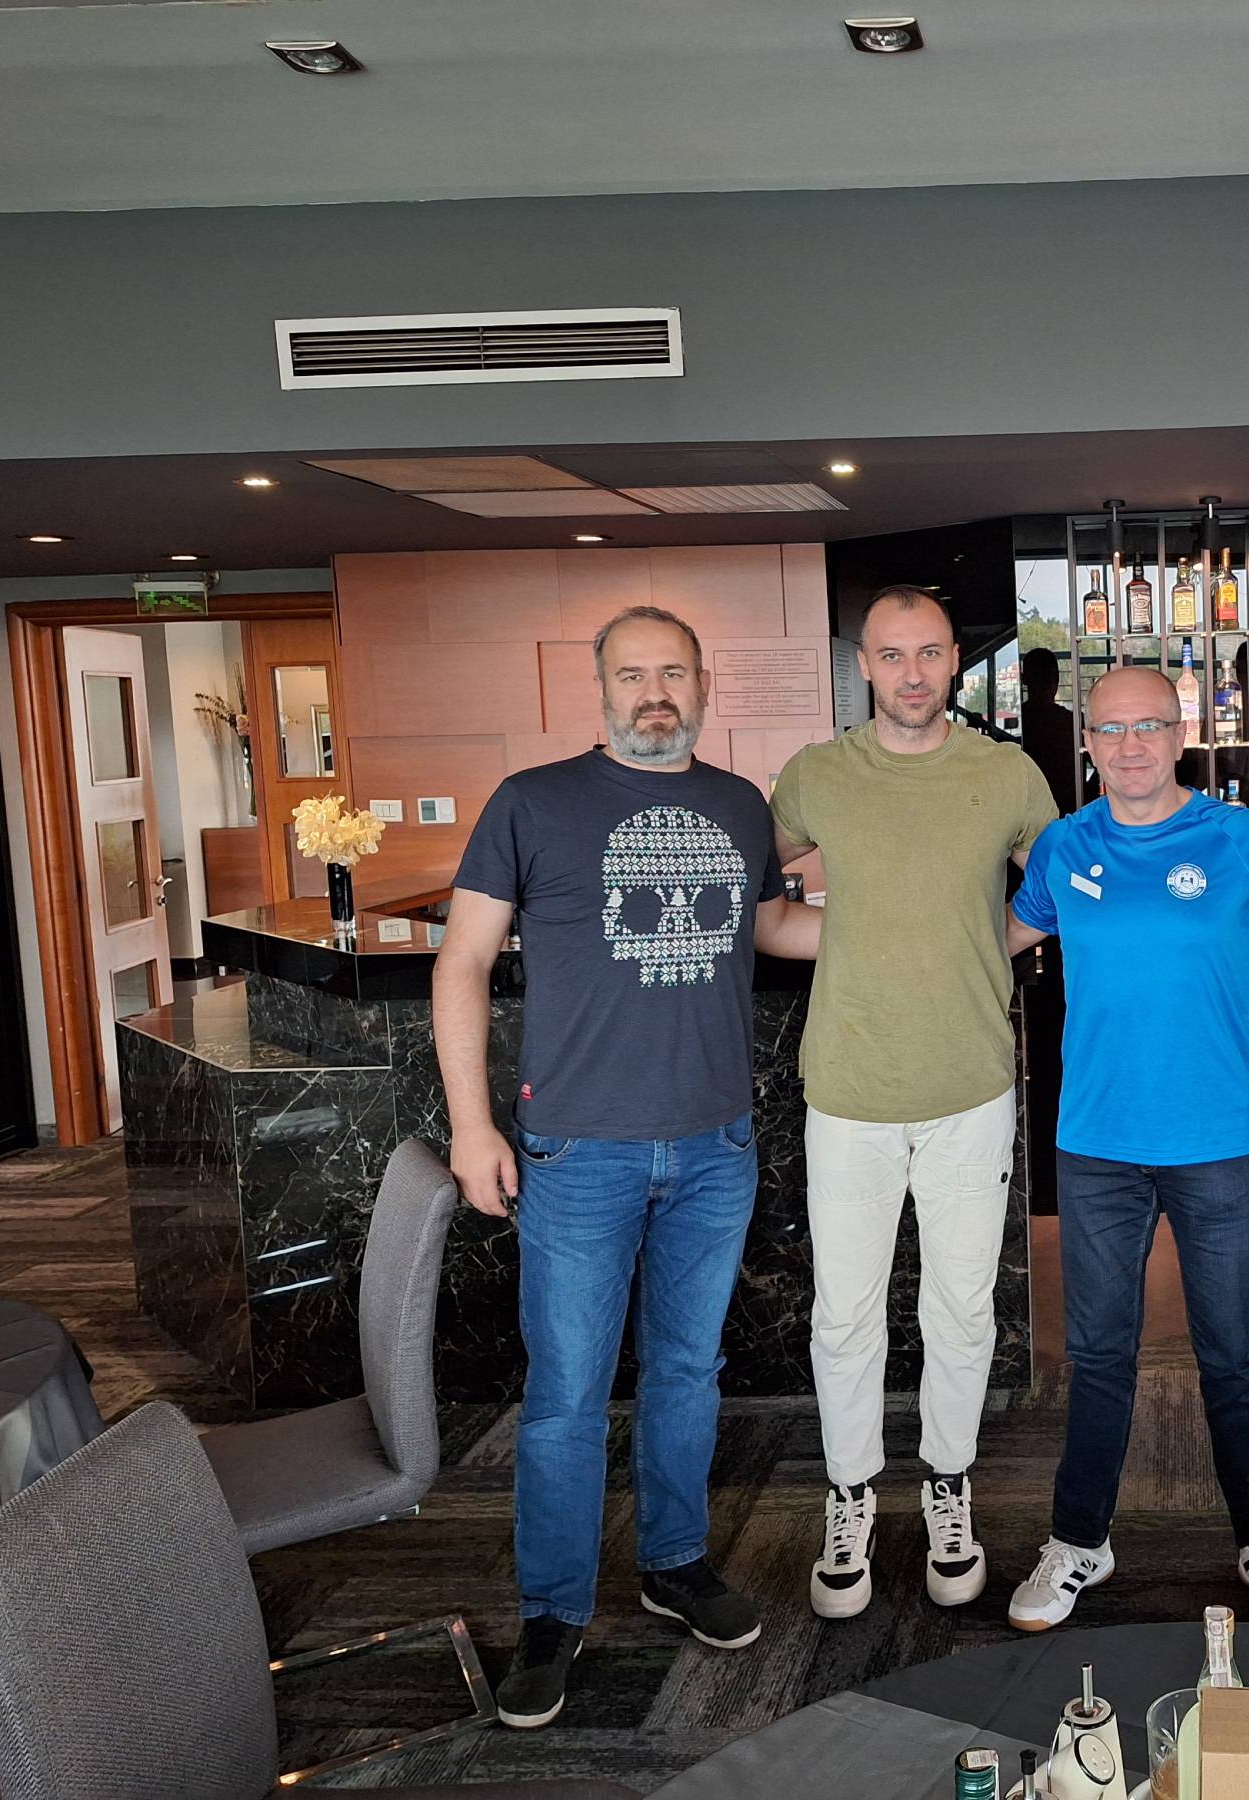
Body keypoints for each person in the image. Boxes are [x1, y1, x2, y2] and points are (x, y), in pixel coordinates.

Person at [435, 605, 821, 1730]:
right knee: (566, 1393)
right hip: (577, 1150)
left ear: (703, 685)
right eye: (632, 674)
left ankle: (673, 1561)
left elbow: (770, 928)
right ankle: (552, 1613)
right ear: (598, 688)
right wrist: (471, 1127)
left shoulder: (739, 804)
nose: (655, 692)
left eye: (674, 673)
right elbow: (461, 963)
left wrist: (906, 923)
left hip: (714, 1144)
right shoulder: (531, 801)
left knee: (687, 1373)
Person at [1004, 666, 1249, 1631]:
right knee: (1098, 1353)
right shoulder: (1065, 846)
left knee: (1230, 1352)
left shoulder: (1237, 837)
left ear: (1181, 732)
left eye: (1149, 725)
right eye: (1111, 730)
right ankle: (1080, 1537)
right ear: (1088, 743)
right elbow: (1002, 939)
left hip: (1216, 1140)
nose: (1130, 746)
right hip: (1098, 1140)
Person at [771, 586, 1058, 1621]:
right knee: (844, 1313)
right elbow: (753, 899)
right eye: (892, 655)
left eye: (930, 653)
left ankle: (948, 1483)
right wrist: (846, 935)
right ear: (864, 665)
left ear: (954, 661)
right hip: (849, 1091)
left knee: (961, 1309)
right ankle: (850, 1494)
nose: (911, 673)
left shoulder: (1005, 773)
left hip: (969, 1088)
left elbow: (1062, 889)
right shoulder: (815, 776)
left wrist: (983, 942)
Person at [1019, 645, 1081, 815]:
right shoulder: (1073, 722)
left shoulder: (1019, 723)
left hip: (1027, 811)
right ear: (1057, 678)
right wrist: (1088, 794)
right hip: (1070, 808)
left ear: (1024, 679)